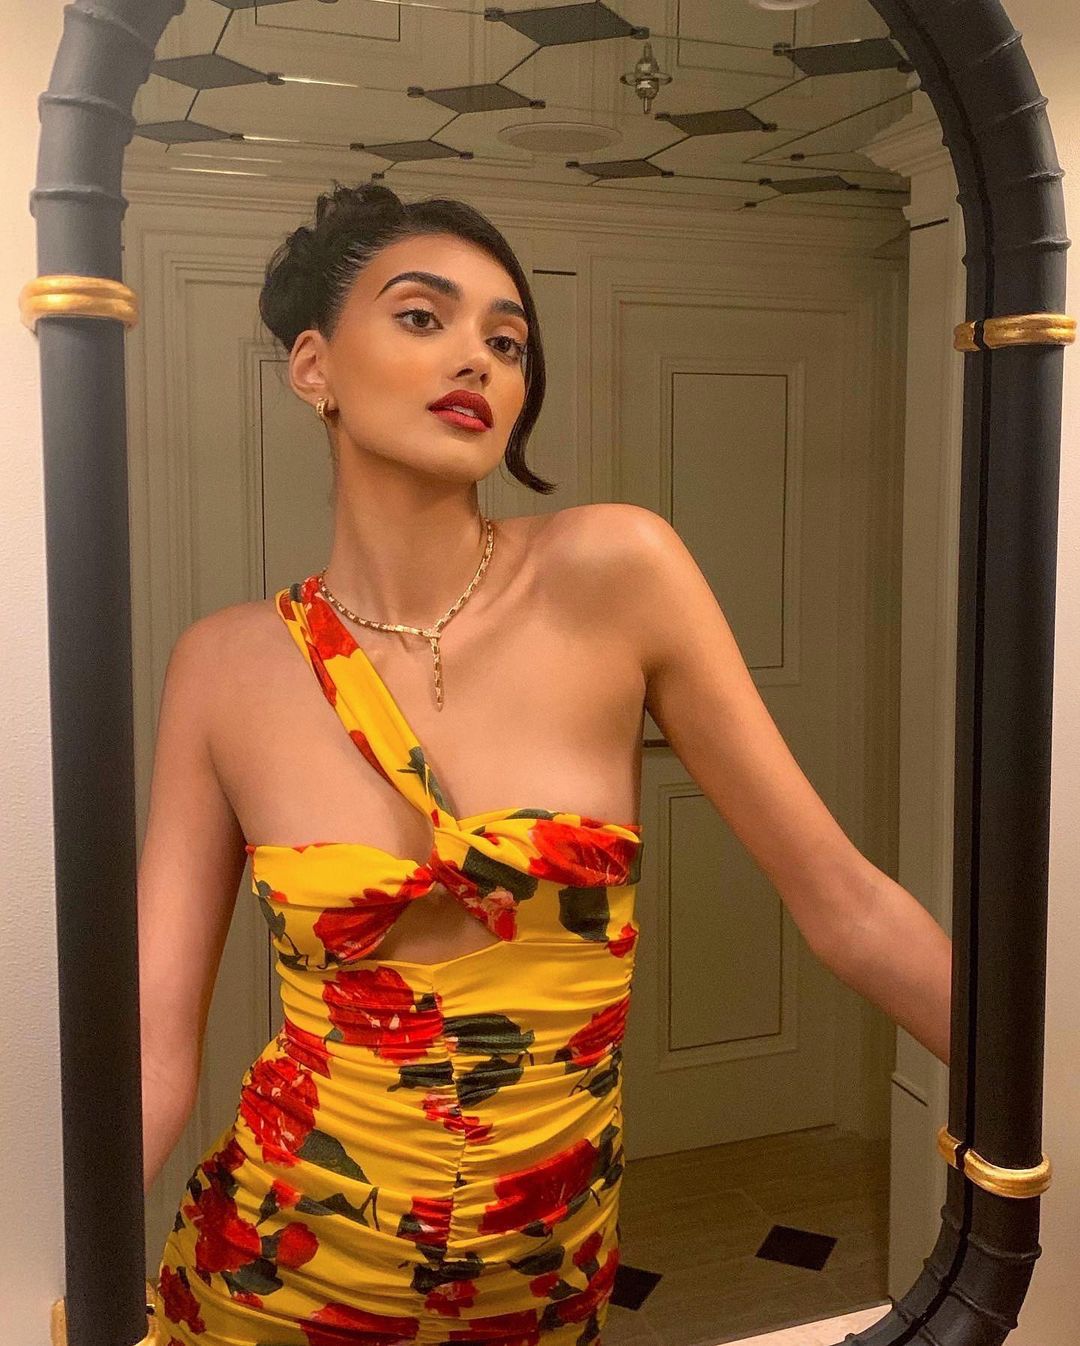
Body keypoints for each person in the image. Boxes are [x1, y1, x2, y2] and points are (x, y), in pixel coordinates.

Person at [139, 181, 952, 1346]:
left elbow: (851, 906)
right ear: (313, 367)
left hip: (542, 1289)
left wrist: (1045, 1091)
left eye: (508, 340)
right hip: (269, 1283)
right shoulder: (223, 666)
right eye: (423, 316)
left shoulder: (614, 570)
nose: (476, 355)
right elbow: (152, 1054)